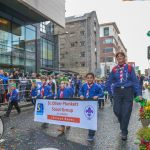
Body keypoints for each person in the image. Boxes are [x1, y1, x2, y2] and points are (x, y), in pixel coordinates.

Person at [106, 52, 142, 141]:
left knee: (126, 112)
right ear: (116, 59)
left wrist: (138, 94)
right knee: (117, 111)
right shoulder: (114, 69)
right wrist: (110, 93)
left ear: (124, 58)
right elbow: (109, 82)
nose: (119, 58)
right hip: (117, 91)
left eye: (121, 56)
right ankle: (123, 124)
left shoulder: (130, 68)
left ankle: (124, 131)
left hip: (128, 91)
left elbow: (135, 82)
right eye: (118, 57)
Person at [80, 73, 104, 141]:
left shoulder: (97, 86)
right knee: (86, 118)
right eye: (88, 78)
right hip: (85, 104)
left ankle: (91, 135)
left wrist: (97, 96)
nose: (89, 79)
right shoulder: (84, 85)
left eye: (91, 78)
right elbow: (80, 91)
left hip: (93, 105)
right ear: (86, 79)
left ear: (93, 78)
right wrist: (81, 95)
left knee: (92, 119)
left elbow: (102, 93)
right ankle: (89, 129)